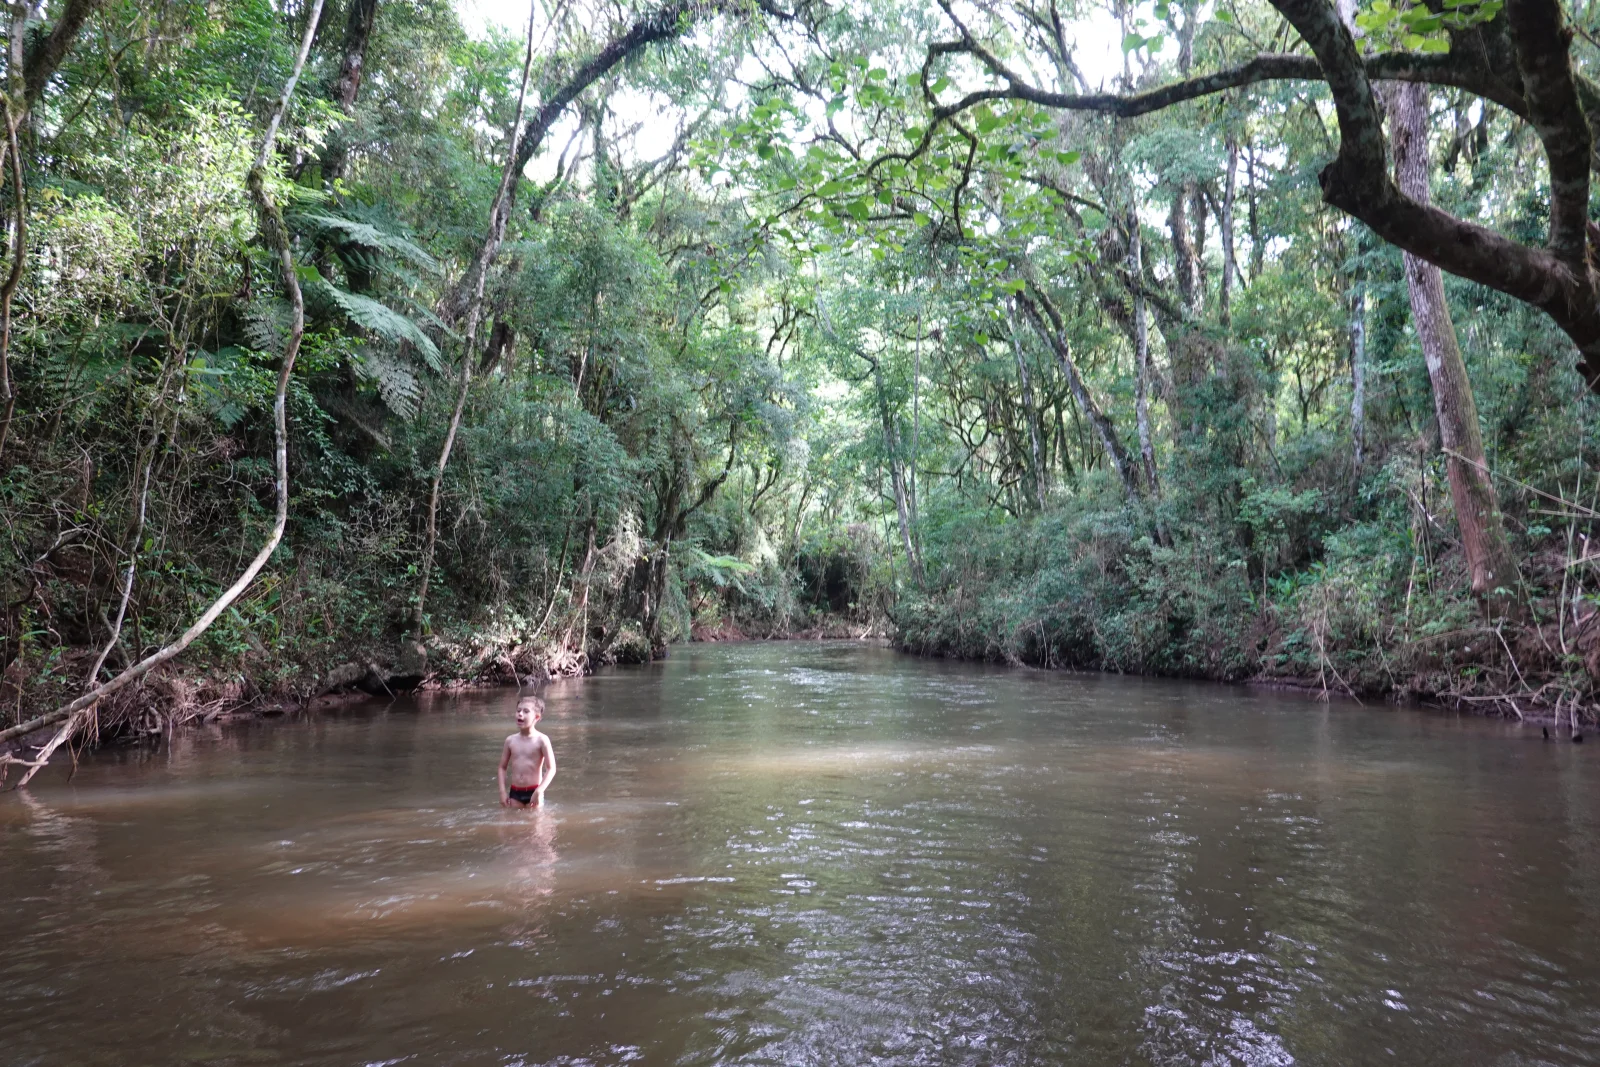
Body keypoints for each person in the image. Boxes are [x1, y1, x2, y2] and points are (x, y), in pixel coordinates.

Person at [498, 696, 557, 808]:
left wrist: (540, 791)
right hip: (515, 792)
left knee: (536, 823)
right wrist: (502, 791)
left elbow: (551, 768)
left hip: (534, 791)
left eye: (526, 711)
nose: (520, 714)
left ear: (537, 717)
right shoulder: (510, 740)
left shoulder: (542, 740)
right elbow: (502, 767)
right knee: (514, 823)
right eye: (518, 710)